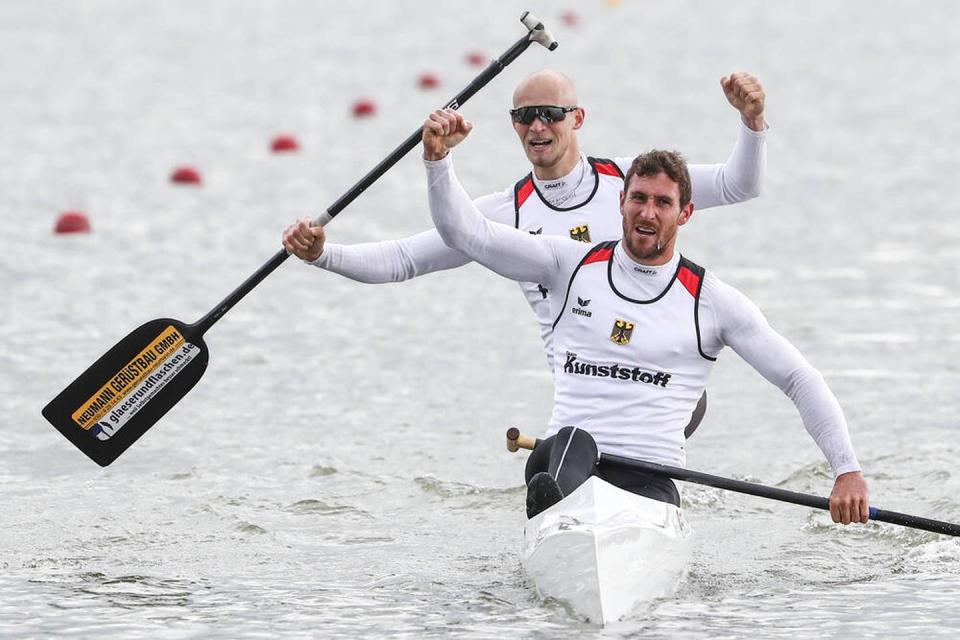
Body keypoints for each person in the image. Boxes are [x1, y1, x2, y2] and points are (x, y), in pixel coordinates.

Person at [418, 107, 870, 526]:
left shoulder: (712, 302)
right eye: (638, 198)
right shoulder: (566, 264)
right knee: (570, 443)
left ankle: (576, 519)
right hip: (564, 462)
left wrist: (846, 470)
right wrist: (439, 162)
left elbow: (798, 378)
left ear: (685, 213)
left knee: (610, 483)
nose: (647, 212)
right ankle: (558, 510)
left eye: (662, 202)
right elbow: (464, 232)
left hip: (647, 485)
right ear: (621, 203)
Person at [282, 70, 767, 375]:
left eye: (550, 114)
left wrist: (751, 124)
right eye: (524, 116)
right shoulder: (503, 214)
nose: (537, 127)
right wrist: (323, 254)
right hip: (580, 390)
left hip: (660, 378)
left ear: (577, 118)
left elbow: (737, 186)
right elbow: (405, 260)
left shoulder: (636, 187)